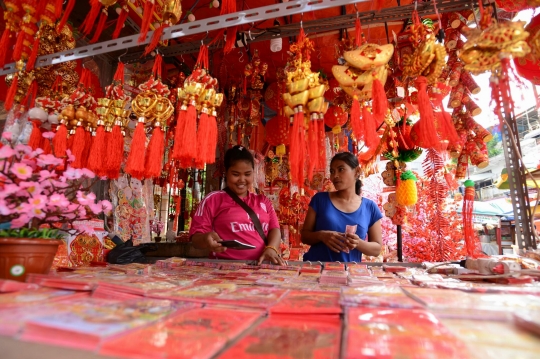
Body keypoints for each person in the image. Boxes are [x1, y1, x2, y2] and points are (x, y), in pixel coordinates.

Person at [190, 145, 285, 265]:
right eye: (235, 174)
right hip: (223, 271)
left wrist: (272, 249)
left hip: (260, 269)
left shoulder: (263, 201)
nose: (242, 179)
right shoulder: (213, 200)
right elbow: (195, 238)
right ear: (226, 173)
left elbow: (274, 229)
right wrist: (206, 239)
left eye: (247, 174)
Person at [301, 152, 383, 262]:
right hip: (317, 272)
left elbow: (376, 249)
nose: (335, 176)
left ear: (357, 172)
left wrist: (358, 243)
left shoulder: (370, 207)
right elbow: (305, 236)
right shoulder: (320, 200)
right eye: (332, 171)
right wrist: (322, 236)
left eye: (341, 169)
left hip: (350, 273)